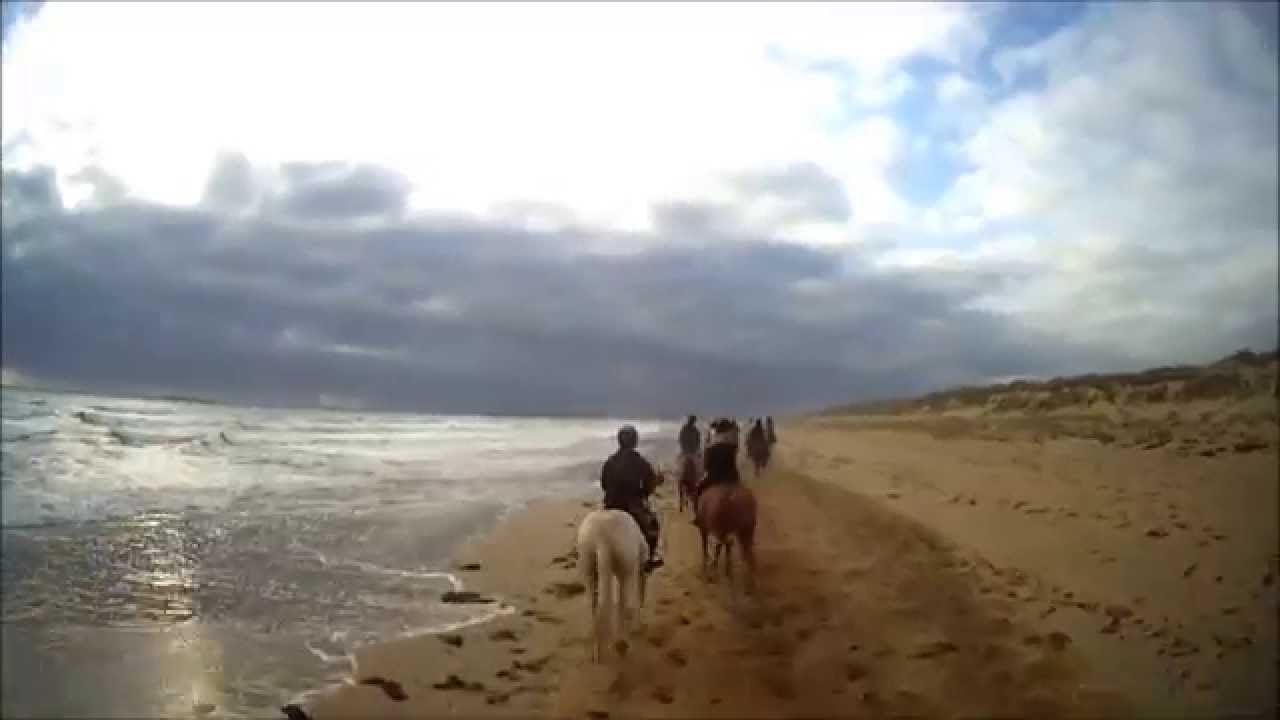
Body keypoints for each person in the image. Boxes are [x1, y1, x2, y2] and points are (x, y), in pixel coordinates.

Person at [600, 425, 663, 571]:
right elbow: (649, 483)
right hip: (632, 505)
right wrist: (644, 493)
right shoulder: (639, 461)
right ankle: (650, 558)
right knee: (653, 526)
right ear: (634, 441)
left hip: (610, 504)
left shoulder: (610, 461)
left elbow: (604, 484)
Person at [693, 417, 741, 527]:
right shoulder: (732, 445)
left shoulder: (710, 447)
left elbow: (706, 467)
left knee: (698, 490)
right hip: (732, 477)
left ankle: (698, 517)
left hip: (714, 478)